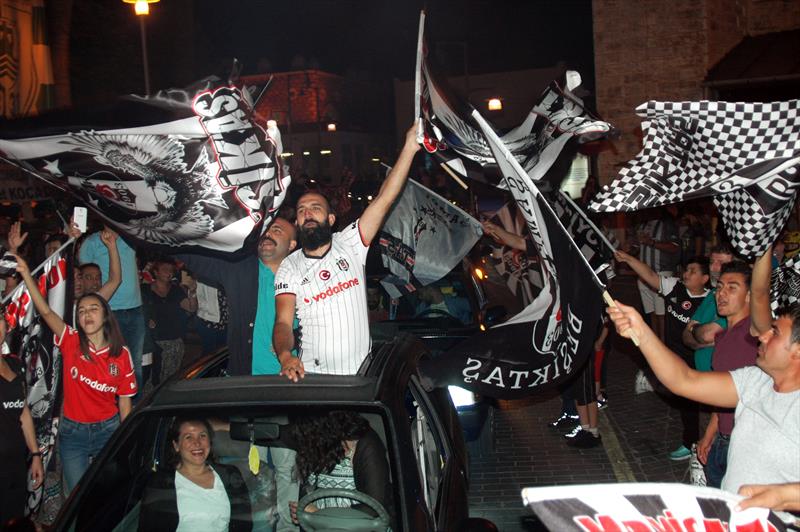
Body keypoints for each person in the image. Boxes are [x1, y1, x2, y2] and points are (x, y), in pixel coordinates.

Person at [607, 246, 799, 494]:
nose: (764, 337)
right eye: (720, 287)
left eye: (775, 333)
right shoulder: (754, 381)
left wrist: (783, 499)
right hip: (725, 458)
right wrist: (641, 331)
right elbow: (685, 379)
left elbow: (760, 293)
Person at [176, 217, 299, 532]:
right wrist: (168, 231)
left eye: (278, 230)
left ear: (292, 245)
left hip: (287, 390)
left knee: (287, 469)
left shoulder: (304, 277)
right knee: (252, 471)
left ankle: (286, 528)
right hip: (245, 389)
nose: (268, 234)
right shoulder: (240, 268)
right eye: (267, 229)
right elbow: (193, 257)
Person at [274, 122, 420, 380]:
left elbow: (384, 198)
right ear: (296, 222)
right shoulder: (289, 266)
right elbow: (283, 323)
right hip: (314, 377)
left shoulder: (351, 242)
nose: (308, 213)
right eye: (302, 210)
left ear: (331, 219)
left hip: (362, 378)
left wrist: (409, 147)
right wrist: (286, 356)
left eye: (316, 208)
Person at [13, 254, 136, 494]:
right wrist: (26, 273)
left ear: (105, 315)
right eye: (81, 311)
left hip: (108, 430)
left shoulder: (121, 354)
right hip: (73, 433)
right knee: (74, 496)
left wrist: (126, 438)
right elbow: (46, 312)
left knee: (107, 493)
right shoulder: (70, 340)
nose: (87, 314)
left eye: (93, 309)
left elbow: (124, 402)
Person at [614, 250, 710, 460]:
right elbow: (650, 275)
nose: (686, 274)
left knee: (693, 406)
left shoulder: (710, 300)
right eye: (687, 269)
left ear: (705, 278)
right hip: (672, 358)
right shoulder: (675, 286)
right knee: (683, 402)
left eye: (693, 271)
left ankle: (693, 445)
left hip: (696, 361)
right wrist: (629, 259)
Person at [689, 260, 758, 488]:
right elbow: (725, 396)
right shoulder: (724, 336)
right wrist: (710, 434)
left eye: (732, 287)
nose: (722, 293)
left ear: (749, 295)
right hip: (723, 439)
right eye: (719, 287)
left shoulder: (753, 336)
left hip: (743, 446)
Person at [138, 417, 252, 532]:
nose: (197, 443)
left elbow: (244, 523)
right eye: (188, 437)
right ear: (176, 445)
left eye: (202, 436)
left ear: (210, 441)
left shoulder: (230, 475)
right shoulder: (161, 483)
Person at [288, 411, 392, 527]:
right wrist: (302, 510)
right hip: (319, 526)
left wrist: (319, 515)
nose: (308, 441)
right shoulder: (320, 446)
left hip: (353, 527)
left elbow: (375, 508)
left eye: (311, 435)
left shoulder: (366, 445)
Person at [79, 228, 145, 399]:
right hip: (109, 309)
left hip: (136, 308)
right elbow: (83, 275)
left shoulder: (130, 236)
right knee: (111, 362)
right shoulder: (91, 242)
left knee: (135, 361)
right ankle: (111, 404)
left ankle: (135, 406)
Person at [0, 319, 44, 525]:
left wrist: (35, 454)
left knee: (14, 521)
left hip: (16, 464)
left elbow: (23, 411)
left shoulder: (15, 364)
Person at [142, 259, 197, 383]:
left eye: (171, 270)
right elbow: (137, 311)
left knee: (169, 380)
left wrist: (192, 292)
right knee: (149, 380)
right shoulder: (144, 290)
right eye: (165, 270)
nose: (169, 273)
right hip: (154, 342)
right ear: (155, 272)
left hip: (174, 341)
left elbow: (191, 308)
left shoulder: (176, 290)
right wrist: (146, 319)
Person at [635, 207, 680, 341]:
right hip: (643, 275)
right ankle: (655, 342)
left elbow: (674, 247)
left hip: (661, 272)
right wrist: (630, 249)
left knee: (662, 313)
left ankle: (664, 343)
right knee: (652, 312)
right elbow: (638, 247)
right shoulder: (642, 225)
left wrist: (652, 242)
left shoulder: (667, 225)